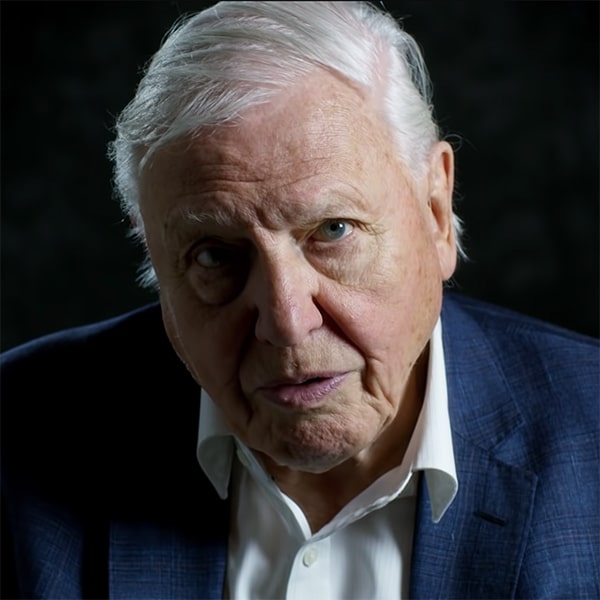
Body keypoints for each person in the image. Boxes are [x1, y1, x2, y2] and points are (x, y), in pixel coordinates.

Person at [1, 1, 598, 598]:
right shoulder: (20, 436)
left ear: (436, 211)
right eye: (214, 256)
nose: (287, 322)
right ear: (154, 255)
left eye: (333, 231)